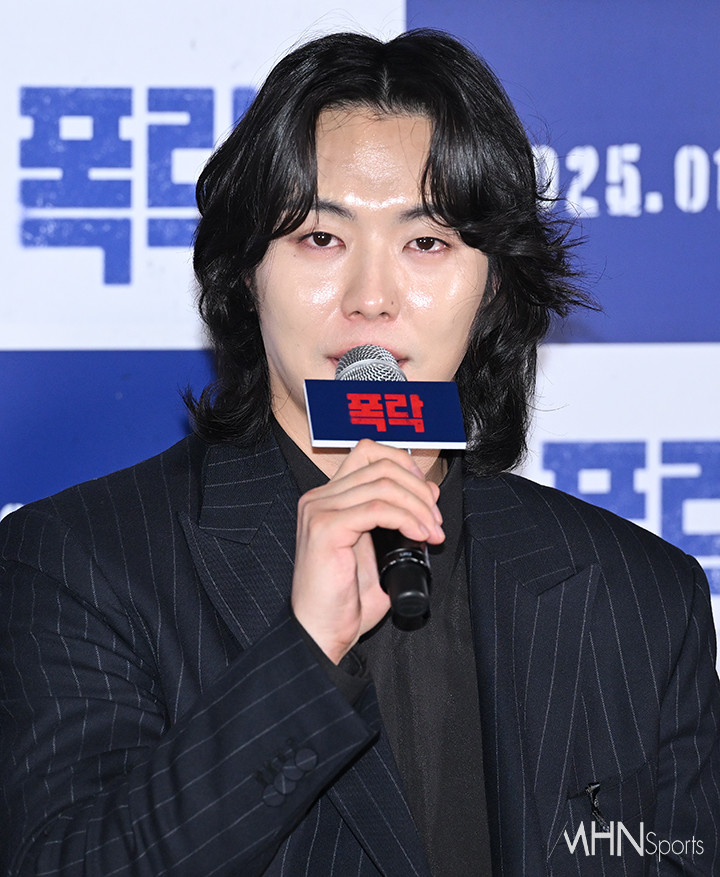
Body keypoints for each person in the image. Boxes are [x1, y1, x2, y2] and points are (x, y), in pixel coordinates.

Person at [1, 28, 718, 877]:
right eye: (320, 239)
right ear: (246, 273)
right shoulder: (81, 559)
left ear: (492, 284)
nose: (371, 299)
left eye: (427, 243)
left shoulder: (643, 597)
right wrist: (303, 656)